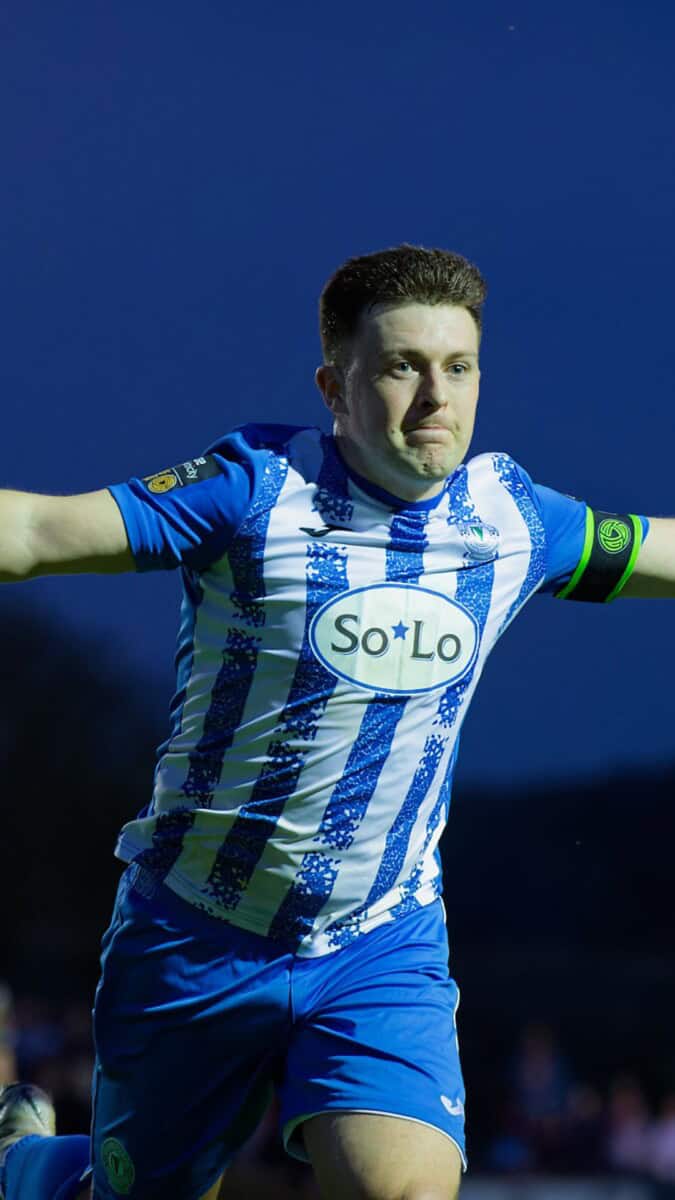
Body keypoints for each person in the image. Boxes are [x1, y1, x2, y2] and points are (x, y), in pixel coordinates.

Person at [0, 244, 672, 1200]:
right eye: (401, 366)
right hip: (193, 936)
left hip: (377, 942)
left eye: (459, 367)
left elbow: (657, 548)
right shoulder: (251, 491)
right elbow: (34, 534)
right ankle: (23, 1167)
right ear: (335, 386)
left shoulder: (517, 519)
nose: (435, 397)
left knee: (398, 1193)